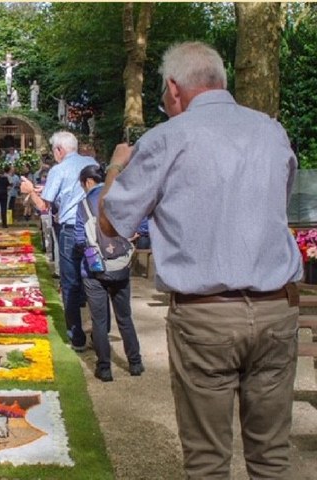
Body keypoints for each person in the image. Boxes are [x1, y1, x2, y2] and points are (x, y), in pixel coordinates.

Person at [99, 41, 302, 478]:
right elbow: (277, 207)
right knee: (272, 459)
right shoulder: (271, 130)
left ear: (174, 88)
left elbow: (112, 222)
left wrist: (116, 167)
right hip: (276, 309)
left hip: (206, 315)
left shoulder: (169, 136)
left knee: (208, 462)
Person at [21, 131, 97, 351]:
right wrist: (46, 189)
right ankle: (100, 332)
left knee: (70, 282)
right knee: (95, 277)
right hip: (93, 227)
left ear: (59, 150)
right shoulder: (90, 162)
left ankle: (77, 337)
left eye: (54, 150)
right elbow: (76, 189)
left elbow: (43, 206)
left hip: (71, 228)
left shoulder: (58, 169)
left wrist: (29, 191)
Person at [77, 164, 142, 382]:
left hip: (94, 270)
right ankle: (135, 362)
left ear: (87, 182)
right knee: (124, 316)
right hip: (120, 267)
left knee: (99, 321)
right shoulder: (121, 198)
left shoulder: (84, 204)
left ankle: (104, 368)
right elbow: (142, 226)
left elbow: (79, 239)